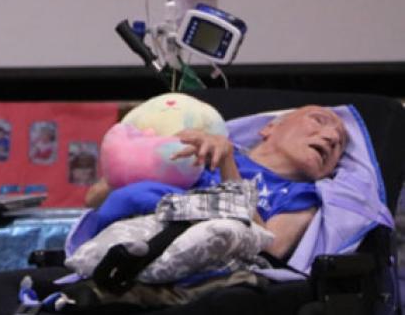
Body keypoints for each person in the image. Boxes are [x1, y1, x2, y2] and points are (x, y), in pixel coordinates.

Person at [84, 105, 348, 260]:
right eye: (319, 121)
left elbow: (269, 250)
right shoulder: (201, 150)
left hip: (206, 264)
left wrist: (227, 164)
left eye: (340, 143)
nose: (331, 137)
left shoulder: (302, 196)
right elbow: (96, 201)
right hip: (132, 242)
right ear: (270, 128)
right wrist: (142, 160)